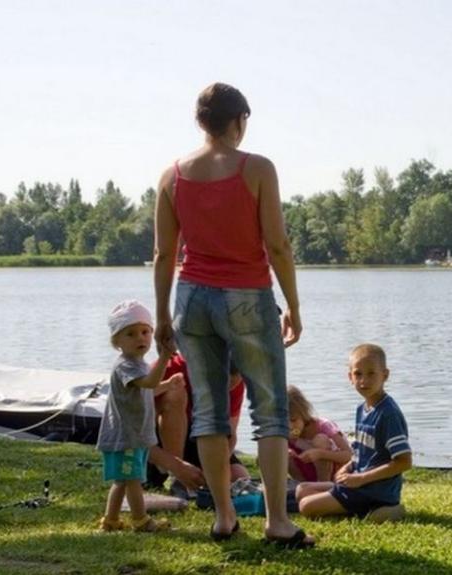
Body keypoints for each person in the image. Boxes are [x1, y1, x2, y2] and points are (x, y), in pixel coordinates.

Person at [153, 82, 313, 547]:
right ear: (239, 120)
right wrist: (295, 307)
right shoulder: (257, 168)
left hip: (192, 299)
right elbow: (278, 245)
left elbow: (165, 254)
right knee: (271, 411)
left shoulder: (172, 175)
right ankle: (278, 523)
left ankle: (224, 518)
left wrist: (163, 315)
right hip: (246, 293)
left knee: (208, 411)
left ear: (201, 123)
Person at [296, 344, 412, 523]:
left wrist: (360, 478)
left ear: (385, 375)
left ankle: (382, 509)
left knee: (306, 506)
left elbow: (403, 462)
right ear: (350, 377)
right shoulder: (362, 409)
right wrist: (348, 467)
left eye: (371, 373)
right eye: (358, 374)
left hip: (374, 490)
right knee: (301, 489)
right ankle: (365, 510)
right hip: (357, 483)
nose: (364, 380)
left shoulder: (388, 414)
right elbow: (361, 452)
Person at [97, 300, 181, 532]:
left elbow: (149, 388)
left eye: (145, 332)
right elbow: (148, 382)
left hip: (135, 435)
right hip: (126, 436)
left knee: (124, 480)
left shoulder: (139, 364)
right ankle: (141, 521)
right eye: (131, 334)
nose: (140, 338)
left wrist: (167, 385)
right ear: (117, 342)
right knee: (132, 479)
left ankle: (111, 521)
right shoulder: (126, 366)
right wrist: (165, 358)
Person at [148, 354, 251, 497]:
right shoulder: (169, 369)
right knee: (175, 394)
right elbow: (130, 435)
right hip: (151, 447)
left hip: (198, 436)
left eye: (231, 385)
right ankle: (176, 479)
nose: (223, 392)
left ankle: (192, 481)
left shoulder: (236, 380)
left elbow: (230, 433)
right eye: (219, 385)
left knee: (238, 477)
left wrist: (214, 470)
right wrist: (176, 466)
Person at [287, 385, 352, 482]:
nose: (290, 427)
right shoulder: (287, 431)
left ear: (303, 413)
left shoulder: (324, 426)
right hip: (306, 472)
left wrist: (321, 454)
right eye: (285, 422)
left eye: (294, 420)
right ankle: (300, 483)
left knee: (320, 439)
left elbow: (349, 456)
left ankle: (323, 484)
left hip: (334, 472)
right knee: (281, 448)